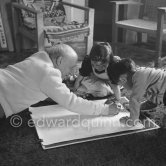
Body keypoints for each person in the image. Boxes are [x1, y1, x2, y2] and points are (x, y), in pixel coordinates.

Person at [0, 44, 121, 119]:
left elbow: (39, 89)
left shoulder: (38, 57)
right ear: (59, 61)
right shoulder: (48, 74)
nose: (73, 71)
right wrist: (104, 109)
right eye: (71, 66)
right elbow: (71, 103)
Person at [107, 58, 166, 126]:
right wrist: (140, 106)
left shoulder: (139, 77)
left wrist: (132, 121)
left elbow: (135, 100)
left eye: (121, 85)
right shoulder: (142, 75)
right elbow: (153, 100)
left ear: (123, 79)